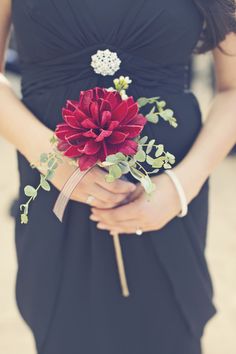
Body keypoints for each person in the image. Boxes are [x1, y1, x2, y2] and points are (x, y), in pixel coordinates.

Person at [0, 1, 236, 353]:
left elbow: (233, 89)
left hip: (168, 203)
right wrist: (50, 158)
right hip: (57, 197)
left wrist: (182, 185)